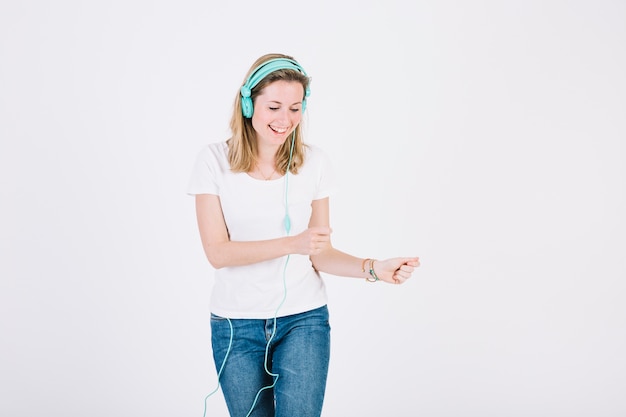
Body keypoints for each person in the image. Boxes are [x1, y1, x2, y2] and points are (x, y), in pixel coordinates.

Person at [188, 53, 420, 417]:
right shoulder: (213, 161)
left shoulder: (314, 163)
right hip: (236, 324)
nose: (285, 120)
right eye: (275, 106)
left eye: (295, 108)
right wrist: (291, 244)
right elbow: (218, 253)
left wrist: (375, 268)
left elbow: (320, 253)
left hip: (303, 320)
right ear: (248, 103)